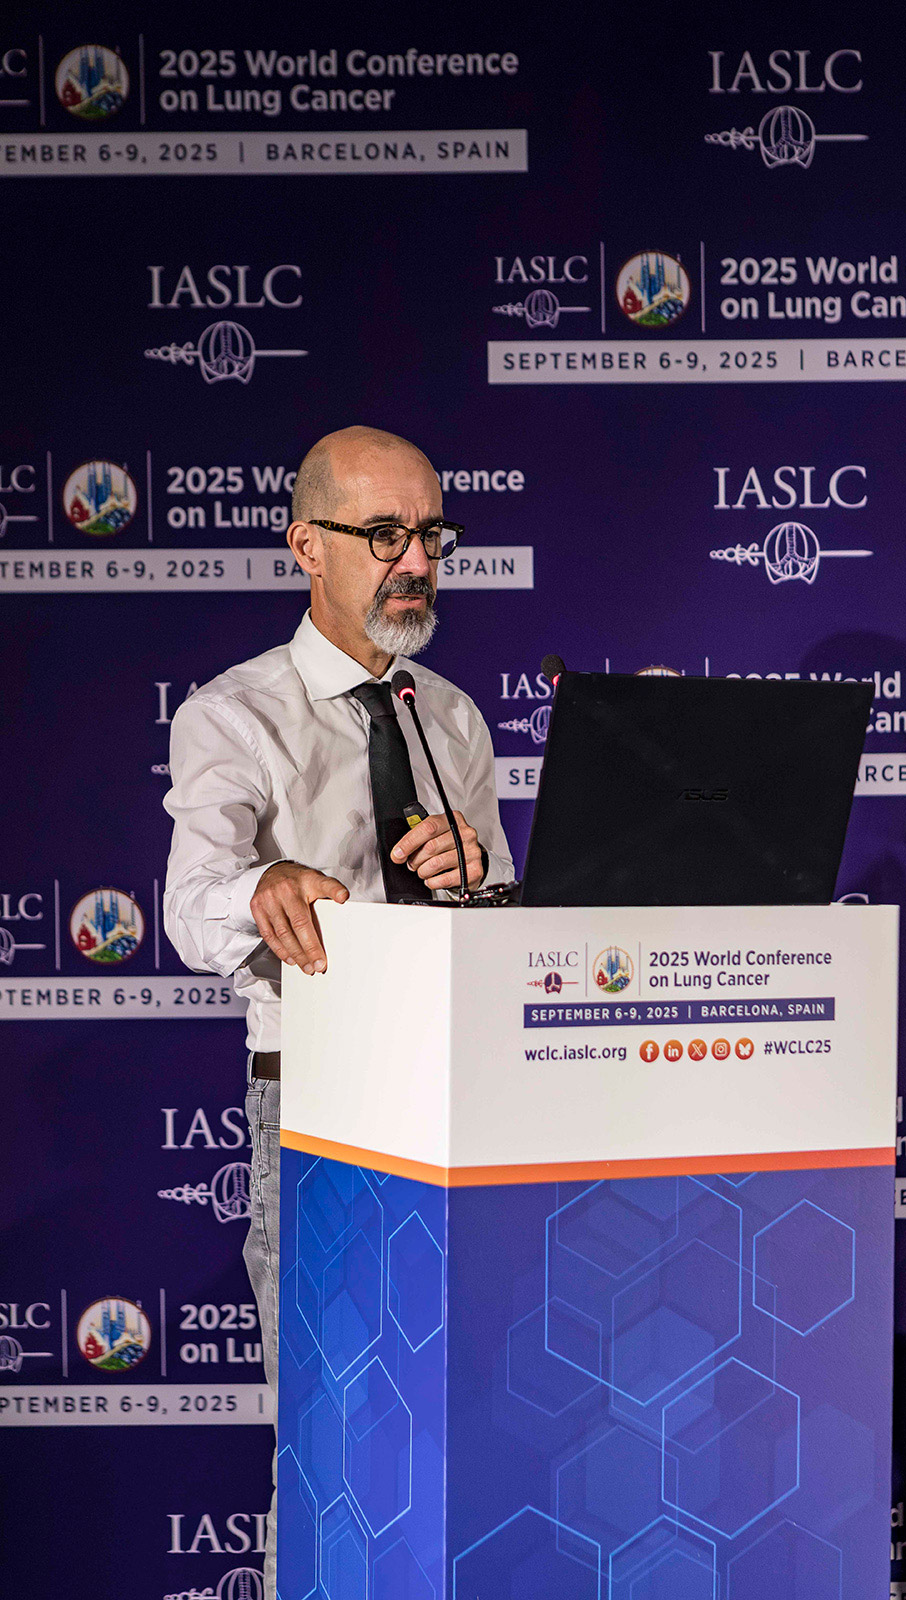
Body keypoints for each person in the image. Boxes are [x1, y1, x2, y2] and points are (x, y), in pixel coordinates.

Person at [162, 425, 513, 1592]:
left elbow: (505, 933)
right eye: (384, 534)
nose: (416, 561)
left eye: (431, 534)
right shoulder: (235, 715)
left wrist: (483, 882)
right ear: (306, 545)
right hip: (323, 1111)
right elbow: (190, 907)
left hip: (470, 1103)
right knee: (335, 1441)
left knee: (476, 1425)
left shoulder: (451, 718)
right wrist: (263, 888)